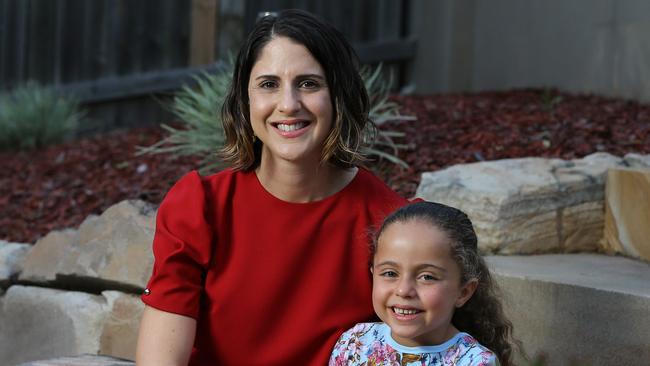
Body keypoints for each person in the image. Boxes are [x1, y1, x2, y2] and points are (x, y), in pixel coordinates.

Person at [135, 9, 408, 366]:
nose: (288, 104)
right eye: (268, 84)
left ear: (340, 95)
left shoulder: (393, 224)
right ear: (244, 101)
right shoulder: (200, 209)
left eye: (309, 83)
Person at [329, 201, 517, 366]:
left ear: (463, 292)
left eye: (427, 277)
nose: (403, 290)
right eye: (390, 273)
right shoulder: (354, 344)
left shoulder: (473, 362)